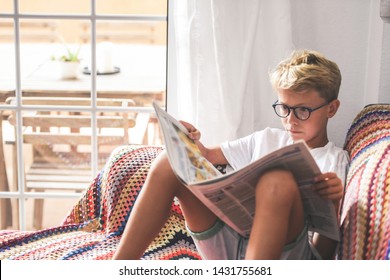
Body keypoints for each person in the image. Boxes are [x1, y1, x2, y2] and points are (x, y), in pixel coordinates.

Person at [113, 49, 349, 260]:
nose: (290, 120)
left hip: (285, 254)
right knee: (169, 162)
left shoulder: (333, 161)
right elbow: (204, 155)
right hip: (229, 242)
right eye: (284, 108)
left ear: (331, 108)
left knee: (277, 180)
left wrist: (334, 202)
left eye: (303, 111)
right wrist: (187, 139)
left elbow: (323, 254)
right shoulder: (265, 138)